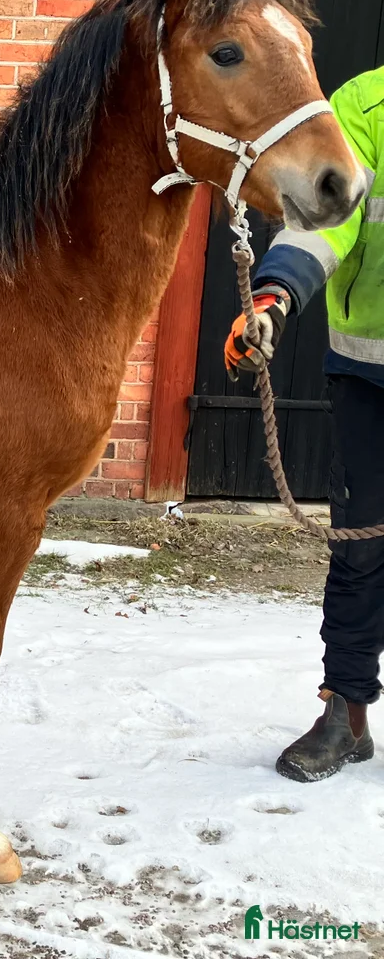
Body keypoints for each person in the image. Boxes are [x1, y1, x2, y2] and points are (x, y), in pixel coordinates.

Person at [224, 66, 383, 782]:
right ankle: (344, 717)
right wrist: (277, 297)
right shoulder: (365, 105)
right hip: (369, 374)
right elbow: (330, 222)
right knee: (359, 552)